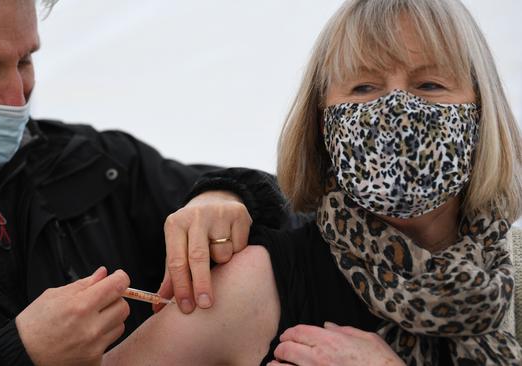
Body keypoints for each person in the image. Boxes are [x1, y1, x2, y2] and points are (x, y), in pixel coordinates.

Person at [102, 0, 522, 365]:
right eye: (364, 87)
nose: (397, 110)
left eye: (430, 85)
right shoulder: (258, 287)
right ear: (322, 123)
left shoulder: (513, 273)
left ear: (483, 110)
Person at [0, 0, 287, 365]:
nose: (16, 98)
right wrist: (18, 354)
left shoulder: (88, 162)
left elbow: (301, 211)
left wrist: (224, 195)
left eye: (24, 61)